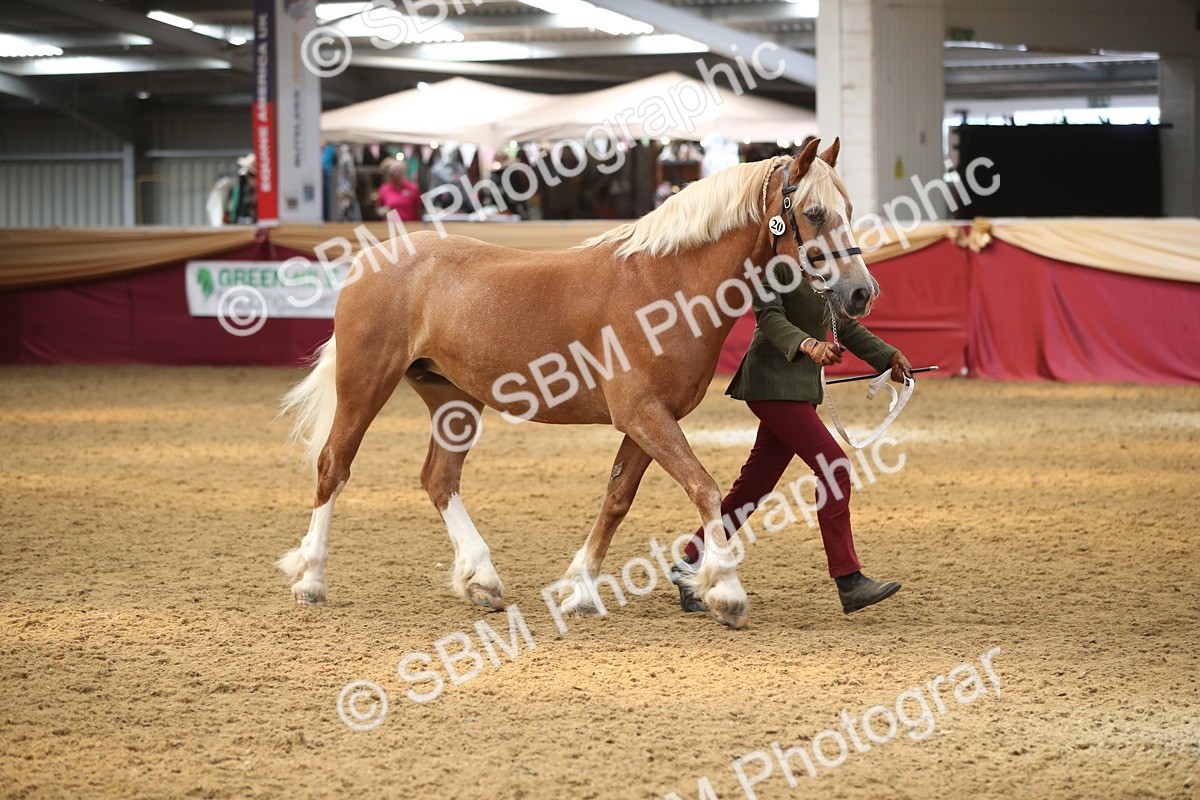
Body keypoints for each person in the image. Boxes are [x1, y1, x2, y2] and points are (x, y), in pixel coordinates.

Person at [671, 262, 913, 615]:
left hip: (798, 389)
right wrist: (809, 345)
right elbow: (768, 318)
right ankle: (848, 579)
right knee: (834, 466)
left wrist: (887, 356)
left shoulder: (826, 271)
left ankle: (691, 560)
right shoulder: (774, 266)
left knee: (753, 487)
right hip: (770, 383)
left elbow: (843, 326)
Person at [376, 157, 422, 221]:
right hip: (390, 226)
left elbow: (419, 208)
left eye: (399, 171)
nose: (397, 174)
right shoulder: (384, 188)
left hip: (410, 225)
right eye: (394, 171)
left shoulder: (413, 188)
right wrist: (381, 212)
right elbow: (379, 208)